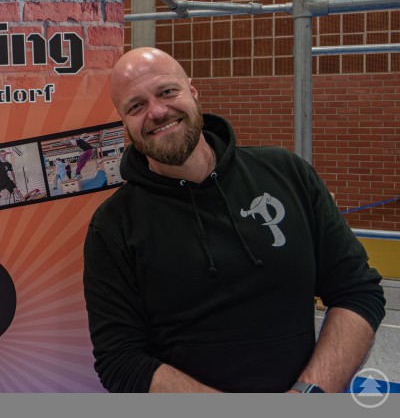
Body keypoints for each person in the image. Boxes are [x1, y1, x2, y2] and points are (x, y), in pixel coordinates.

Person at [83, 47, 385, 393]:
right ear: (124, 123)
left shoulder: (287, 175)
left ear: (193, 92)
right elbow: (120, 360)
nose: (157, 111)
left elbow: (356, 291)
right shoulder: (113, 226)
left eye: (167, 92)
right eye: (135, 106)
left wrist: (309, 395)